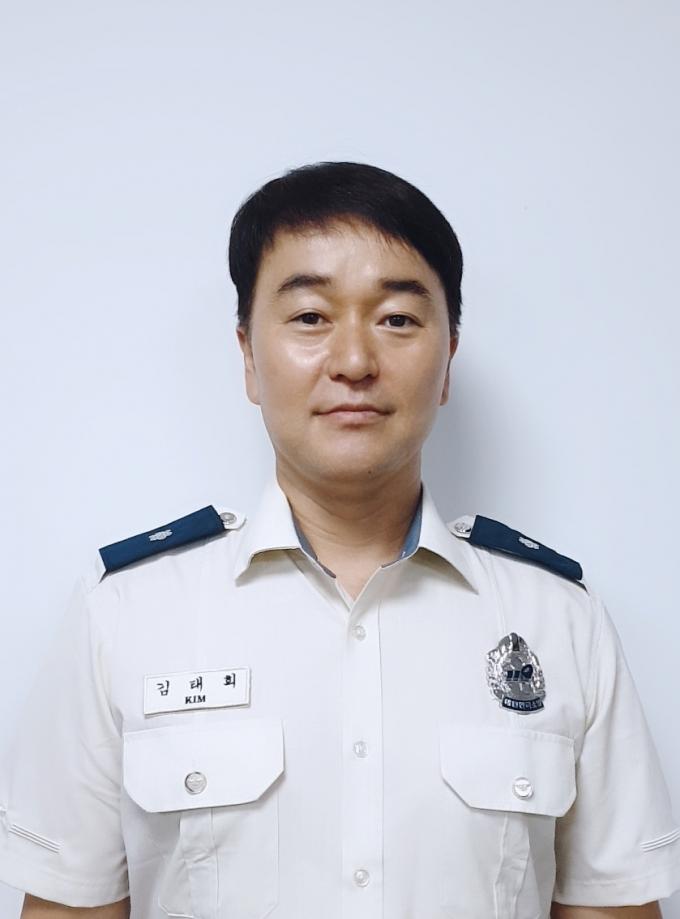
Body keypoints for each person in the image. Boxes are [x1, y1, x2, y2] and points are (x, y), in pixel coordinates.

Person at [1, 161, 679, 919]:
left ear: (448, 360)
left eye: (398, 320)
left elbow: (612, 907)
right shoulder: (125, 615)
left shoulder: (561, 622)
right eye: (310, 317)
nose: (354, 362)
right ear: (248, 356)